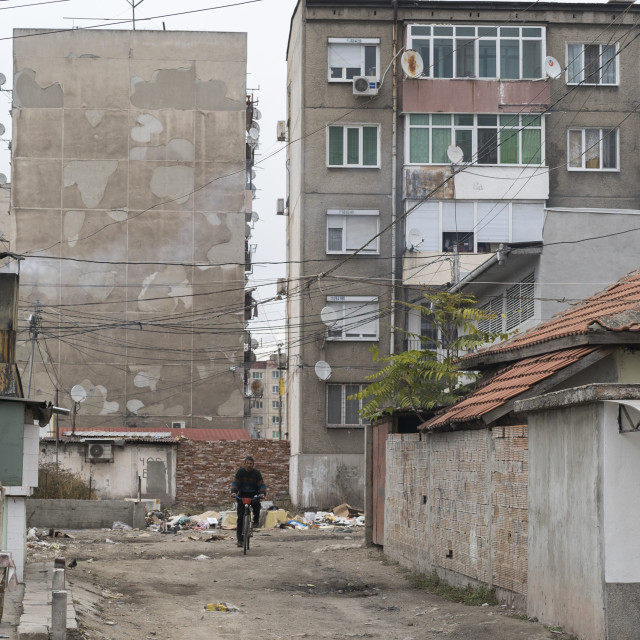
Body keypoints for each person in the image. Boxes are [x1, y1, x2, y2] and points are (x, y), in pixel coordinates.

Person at [231, 455, 266, 547]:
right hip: (242, 495)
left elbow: (261, 485)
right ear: (245, 463)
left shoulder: (256, 474)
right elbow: (235, 483)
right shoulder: (240, 472)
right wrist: (233, 492)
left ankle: (255, 520)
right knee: (240, 518)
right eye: (247, 463)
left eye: (251, 463)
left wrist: (262, 493)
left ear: (253, 464)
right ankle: (240, 540)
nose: (249, 465)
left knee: (257, 505)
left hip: (253, 495)